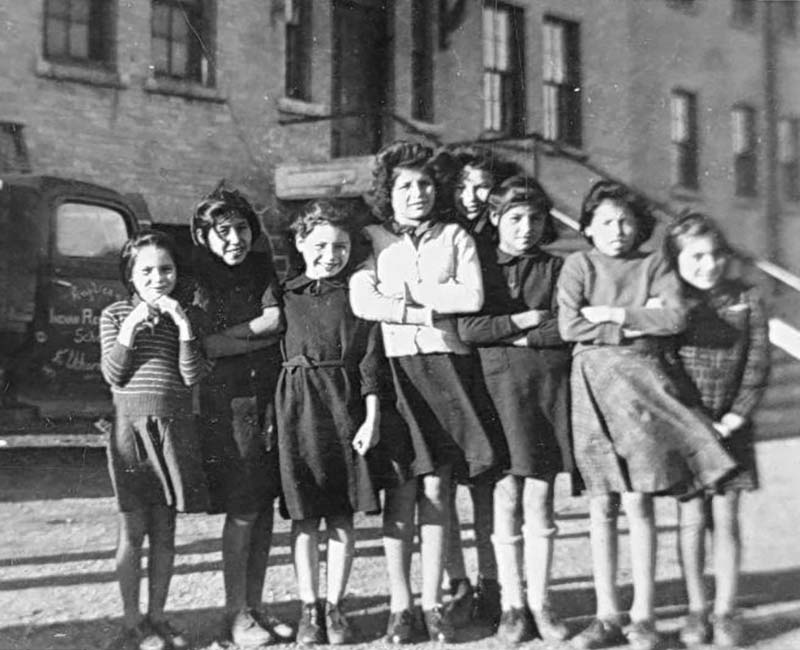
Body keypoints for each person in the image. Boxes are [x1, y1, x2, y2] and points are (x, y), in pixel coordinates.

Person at [557, 181, 736, 650]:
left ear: (638, 225)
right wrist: (637, 318)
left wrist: (610, 314)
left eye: (625, 221)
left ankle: (643, 616)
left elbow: (675, 318)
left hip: (642, 388)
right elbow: (570, 325)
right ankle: (606, 615)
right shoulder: (578, 264)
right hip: (591, 386)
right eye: (605, 222)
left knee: (638, 498)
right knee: (601, 502)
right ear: (588, 228)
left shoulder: (654, 262)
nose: (616, 230)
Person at [350, 141, 498, 643]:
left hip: (447, 369)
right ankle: (400, 606)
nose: (417, 193)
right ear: (387, 193)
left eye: (425, 184)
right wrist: (424, 310)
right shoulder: (371, 238)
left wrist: (406, 295)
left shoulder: (455, 235)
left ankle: (435, 602)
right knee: (401, 490)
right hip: (396, 372)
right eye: (405, 186)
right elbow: (362, 300)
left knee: (439, 488)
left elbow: (471, 296)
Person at [266, 200, 389, 645]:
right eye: (319, 244)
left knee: (340, 516)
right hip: (296, 410)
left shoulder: (356, 294)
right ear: (300, 244)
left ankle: (335, 606)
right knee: (303, 517)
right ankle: (309, 608)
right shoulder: (283, 294)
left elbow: (371, 362)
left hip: (344, 409)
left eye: (339, 246)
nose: (329, 254)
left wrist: (371, 418)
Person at [458, 176, 574, 644]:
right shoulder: (480, 265)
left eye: (535, 219)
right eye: (515, 218)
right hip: (495, 393)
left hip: (544, 394)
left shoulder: (559, 267)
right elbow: (468, 327)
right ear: (495, 220)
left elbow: (568, 325)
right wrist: (523, 320)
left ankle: (542, 601)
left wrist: (517, 335)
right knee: (503, 498)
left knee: (540, 497)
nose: (525, 228)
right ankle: (511, 604)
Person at [188, 183, 291, 647]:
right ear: (205, 236)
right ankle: (235, 614)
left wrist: (235, 339)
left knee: (265, 507)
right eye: (223, 231)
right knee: (244, 507)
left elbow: (276, 323)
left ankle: (256, 606)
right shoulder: (198, 278)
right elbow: (205, 344)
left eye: (242, 228)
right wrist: (251, 337)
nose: (235, 239)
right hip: (227, 407)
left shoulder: (261, 268)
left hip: (269, 397)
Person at [664, 212, 770, 648]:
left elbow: (758, 362)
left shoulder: (747, 298)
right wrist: (694, 419)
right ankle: (696, 609)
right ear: (676, 259)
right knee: (690, 520)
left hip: (732, 428)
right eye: (696, 256)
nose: (708, 265)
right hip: (688, 429)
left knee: (725, 519)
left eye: (715, 255)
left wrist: (735, 416)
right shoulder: (671, 302)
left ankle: (726, 610)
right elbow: (665, 363)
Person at [100, 230, 208, 650]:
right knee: (132, 529)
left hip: (172, 433)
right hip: (130, 432)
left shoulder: (185, 317)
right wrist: (131, 324)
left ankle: (158, 618)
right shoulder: (113, 315)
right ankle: (132, 623)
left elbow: (191, 375)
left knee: (165, 531)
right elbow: (113, 374)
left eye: (166, 269)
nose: (158, 278)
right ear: (131, 275)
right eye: (146, 271)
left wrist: (181, 324)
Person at [435, 145, 519, 627]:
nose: (471, 197)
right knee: (443, 480)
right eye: (462, 186)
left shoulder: (502, 241)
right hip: (446, 364)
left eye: (481, 186)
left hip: (490, 367)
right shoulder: (443, 235)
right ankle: (457, 582)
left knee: (490, 482)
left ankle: (493, 582)